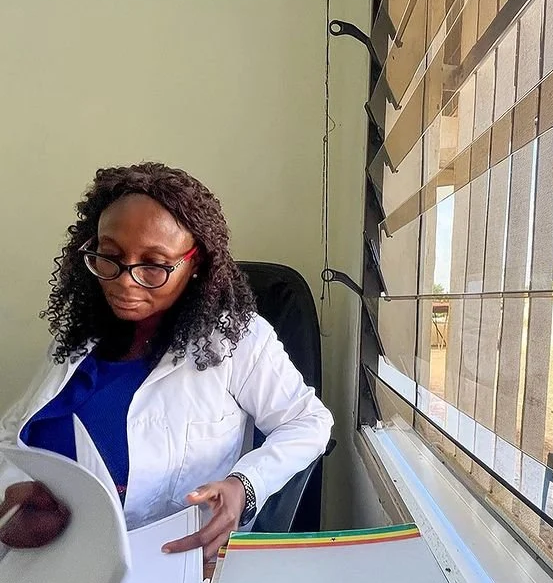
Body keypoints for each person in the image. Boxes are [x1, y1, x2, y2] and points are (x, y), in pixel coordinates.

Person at [0, 163, 333, 559]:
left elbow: (309, 422)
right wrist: (12, 496)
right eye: (109, 256)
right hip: (53, 560)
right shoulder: (75, 339)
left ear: (195, 263)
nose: (125, 281)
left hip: (168, 563)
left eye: (154, 265)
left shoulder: (234, 340)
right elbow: (12, 436)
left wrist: (245, 485)